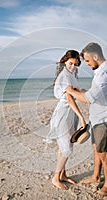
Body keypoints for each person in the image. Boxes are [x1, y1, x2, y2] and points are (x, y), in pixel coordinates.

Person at [66, 42, 107, 197]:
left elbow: (89, 99)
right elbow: (97, 93)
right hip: (97, 119)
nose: (87, 64)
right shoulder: (106, 71)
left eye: (88, 61)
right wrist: (82, 91)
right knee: (96, 150)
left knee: (104, 155)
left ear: (96, 56)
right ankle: (96, 176)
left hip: (105, 120)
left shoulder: (104, 74)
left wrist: (70, 91)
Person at [44, 50, 87, 190]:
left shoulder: (71, 75)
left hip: (70, 115)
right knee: (67, 149)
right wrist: (81, 116)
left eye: (75, 64)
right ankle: (55, 178)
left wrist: (84, 92)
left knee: (64, 147)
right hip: (63, 115)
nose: (73, 66)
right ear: (64, 61)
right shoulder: (64, 76)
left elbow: (74, 93)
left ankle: (63, 174)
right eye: (70, 63)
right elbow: (69, 98)